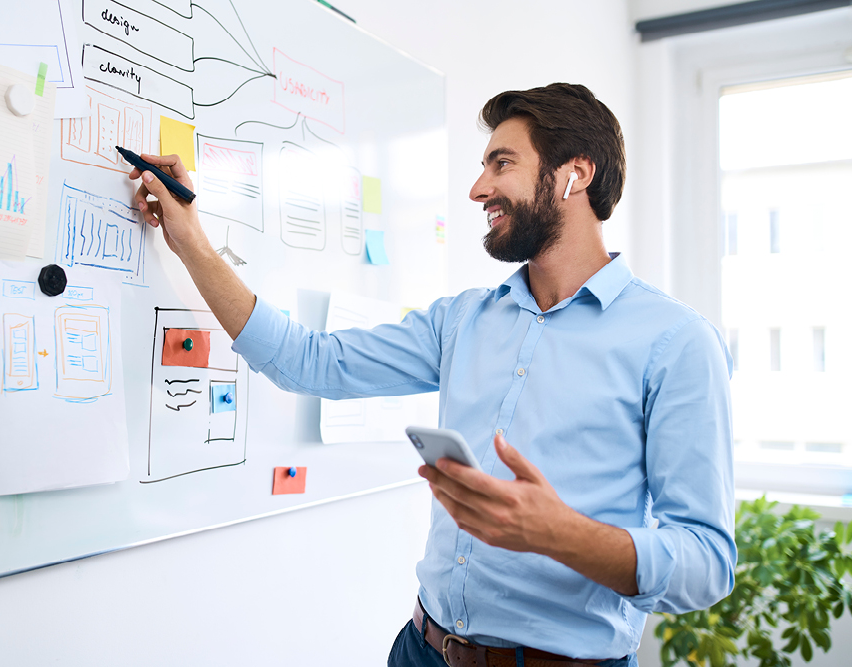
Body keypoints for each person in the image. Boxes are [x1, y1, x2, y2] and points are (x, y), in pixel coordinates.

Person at [129, 83, 736, 667]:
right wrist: (190, 242)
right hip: (423, 650)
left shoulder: (676, 343)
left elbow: (707, 564)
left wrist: (560, 533)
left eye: (502, 163)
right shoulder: (464, 319)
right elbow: (307, 360)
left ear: (575, 175)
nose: (478, 189)